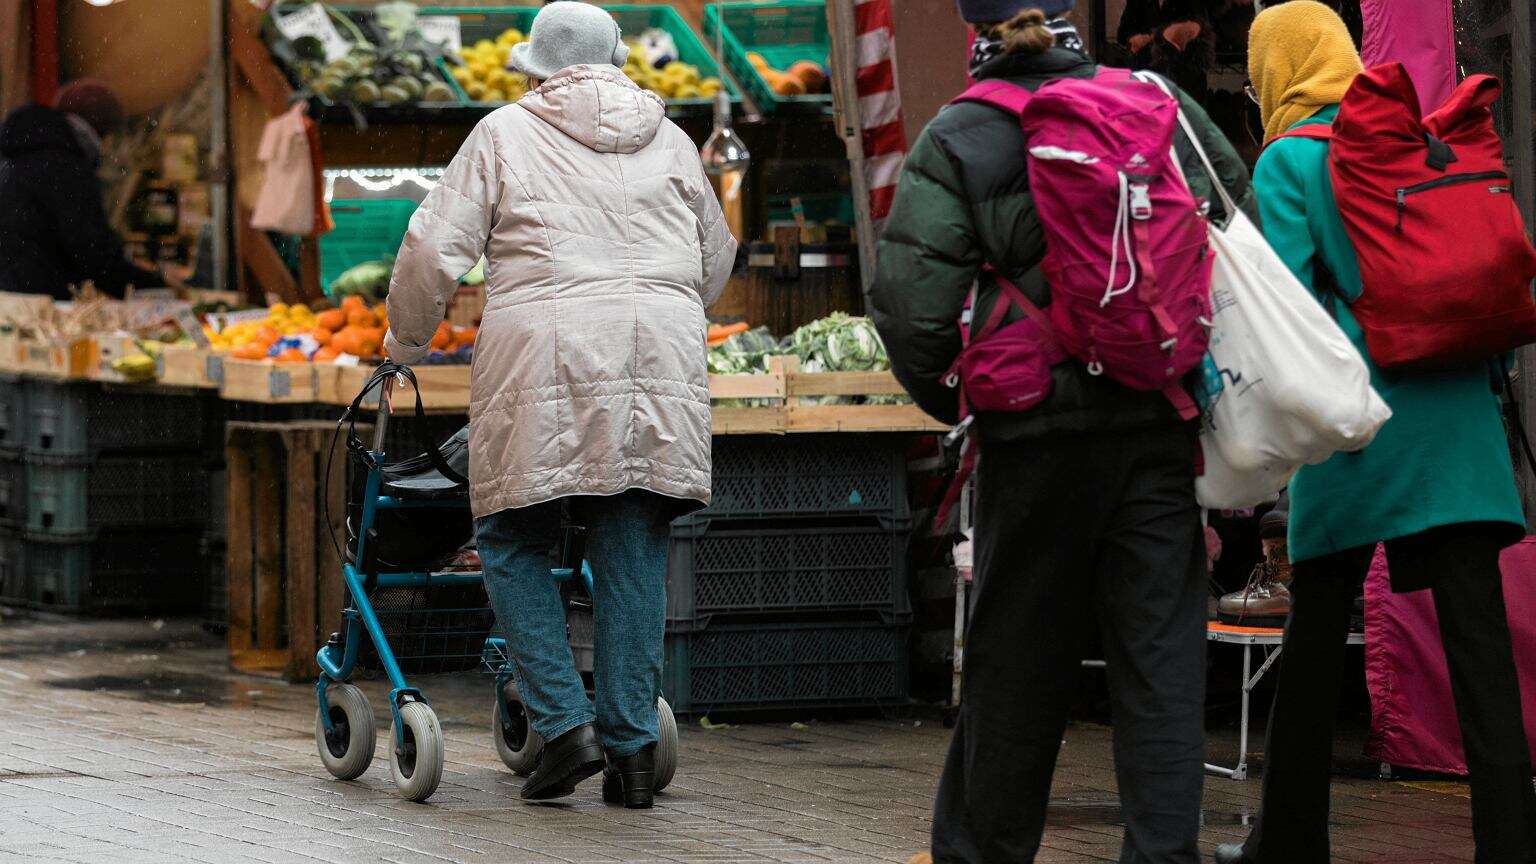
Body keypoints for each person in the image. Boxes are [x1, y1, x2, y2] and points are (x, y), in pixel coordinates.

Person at [870, 2, 1256, 862]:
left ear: (978, 28)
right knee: (1159, 662)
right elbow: (1237, 212)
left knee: (1016, 666)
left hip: (1034, 436)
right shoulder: (1156, 97)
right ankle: (1163, 853)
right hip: (1156, 421)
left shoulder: (959, 135)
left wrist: (961, 404)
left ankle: (986, 851)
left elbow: (911, 311)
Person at [383, 0, 735, 808]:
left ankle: (565, 725)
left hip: (546, 359)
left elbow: (435, 247)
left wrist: (405, 343)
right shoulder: (673, 139)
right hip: (659, 362)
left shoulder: (504, 133)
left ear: (537, 68)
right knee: (633, 536)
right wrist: (664, 306)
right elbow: (714, 259)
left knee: (510, 535)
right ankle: (634, 755)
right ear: (617, 60)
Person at [1214, 3, 1536, 862]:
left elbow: (1280, 311)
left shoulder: (1291, 159)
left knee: (1315, 638)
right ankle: (1509, 843)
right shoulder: (1420, 142)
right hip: (1458, 426)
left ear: (1276, 75)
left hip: (1357, 427)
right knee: (1481, 654)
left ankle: (1288, 843)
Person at [0, 79, 166, 299]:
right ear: (103, 132)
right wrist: (155, 286)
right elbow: (93, 254)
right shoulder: (65, 167)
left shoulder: (16, 154)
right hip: (41, 306)